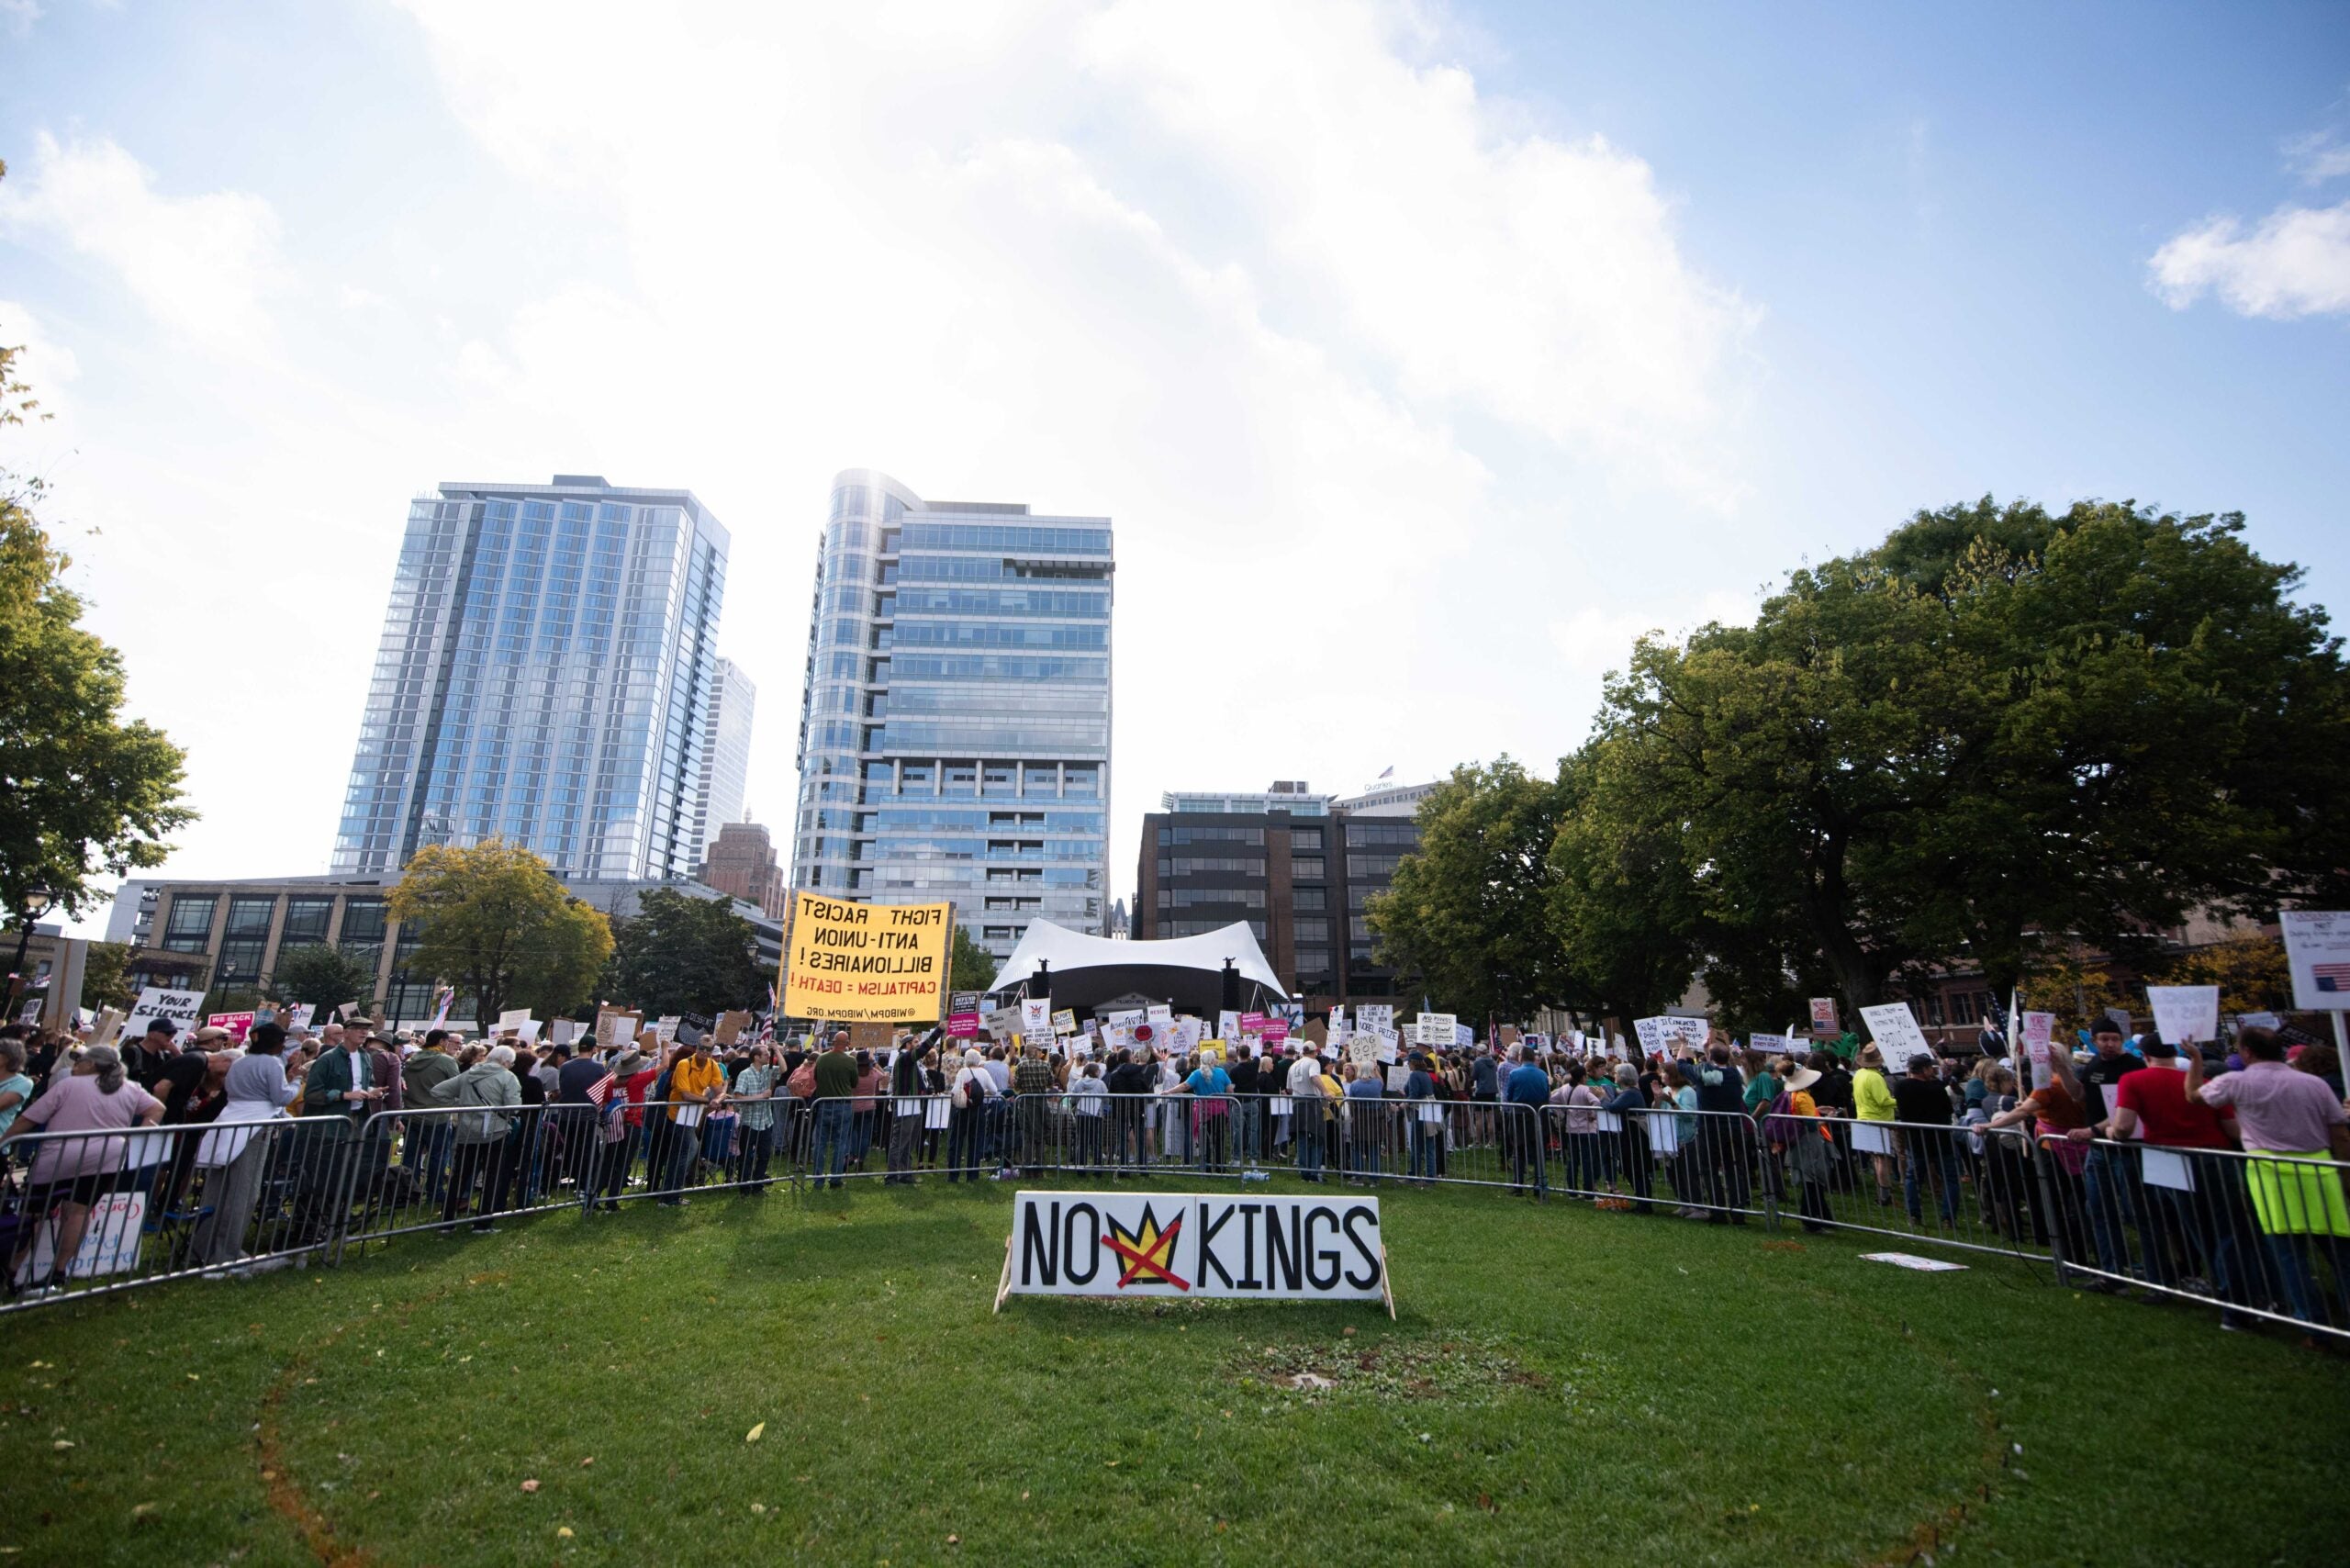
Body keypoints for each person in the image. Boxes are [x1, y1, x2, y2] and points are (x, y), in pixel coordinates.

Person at [2192, 1027, 2350, 1327]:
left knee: (2291, 1255)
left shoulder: (2237, 1081)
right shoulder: (2314, 1083)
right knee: (2339, 1253)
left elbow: (2193, 1096)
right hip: (2321, 1172)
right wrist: (2345, 1169)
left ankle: (2313, 1324)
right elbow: (2339, 1132)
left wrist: (2195, 1058)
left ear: (2247, 1051)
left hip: (2272, 1177)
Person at [2, 1045, 163, 1296]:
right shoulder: (131, 1088)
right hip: (106, 1157)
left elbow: (28, 1119)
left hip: (59, 1156)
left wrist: (5, 1141)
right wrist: (136, 1135)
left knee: (34, 1212)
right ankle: (59, 1271)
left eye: (81, 1061)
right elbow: (156, 1109)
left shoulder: (69, 1086)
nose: (75, 1066)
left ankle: (12, 1269)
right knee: (79, 1211)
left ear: (92, 1064)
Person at [190, 1022, 305, 1269]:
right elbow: (281, 1097)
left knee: (216, 1189)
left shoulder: (240, 1061)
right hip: (253, 1127)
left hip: (229, 1121)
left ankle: (201, 1247)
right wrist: (295, 1081)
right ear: (274, 1043)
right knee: (244, 1193)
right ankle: (226, 1253)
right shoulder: (272, 1063)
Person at [427, 1044, 521, 1233]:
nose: (510, 1066)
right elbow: (514, 1107)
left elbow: (437, 1091)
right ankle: (483, 1222)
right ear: (505, 1062)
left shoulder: (469, 1074)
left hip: (467, 1131)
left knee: (459, 1177)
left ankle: (447, 1222)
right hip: (495, 1132)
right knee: (491, 1177)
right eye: (510, 1063)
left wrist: (462, 1105)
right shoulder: (507, 1077)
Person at [1892, 1053, 1961, 1229]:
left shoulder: (1901, 1087)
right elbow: (1947, 1108)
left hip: (1916, 1139)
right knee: (1950, 1178)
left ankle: (1914, 1214)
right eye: (1930, 1068)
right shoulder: (1936, 1087)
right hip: (1940, 1139)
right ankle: (1948, 1217)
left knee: (1913, 1178)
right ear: (1924, 1069)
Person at [1762, 1063, 1834, 1232]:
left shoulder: (1791, 1094)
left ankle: (1822, 1218)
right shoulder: (1803, 1097)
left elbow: (1800, 1115)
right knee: (1813, 1180)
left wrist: (1816, 1110)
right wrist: (1829, 1118)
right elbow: (1811, 1124)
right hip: (1808, 1142)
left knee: (1811, 1181)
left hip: (1798, 1141)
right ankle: (1811, 1221)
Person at [663, 1038, 727, 1202]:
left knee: (683, 1153)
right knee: (689, 1149)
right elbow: (685, 1095)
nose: (704, 1052)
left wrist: (717, 1100)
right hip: (678, 1112)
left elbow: (720, 1091)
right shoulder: (684, 1064)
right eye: (701, 1049)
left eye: (708, 1050)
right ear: (696, 1048)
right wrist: (709, 1101)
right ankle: (671, 1194)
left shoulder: (713, 1066)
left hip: (694, 1112)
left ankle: (671, 1194)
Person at [729, 1044, 780, 1193]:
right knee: (746, 1156)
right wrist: (761, 1096)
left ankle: (758, 1185)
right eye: (765, 1054)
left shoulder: (767, 1070)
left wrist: (776, 1049)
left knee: (764, 1155)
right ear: (756, 1057)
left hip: (765, 1121)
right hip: (749, 1122)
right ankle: (744, 1186)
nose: (768, 1056)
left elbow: (783, 1069)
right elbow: (737, 1097)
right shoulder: (745, 1074)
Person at [1852, 1046, 1898, 1206]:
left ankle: (1882, 1192)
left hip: (1865, 1118)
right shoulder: (1875, 1078)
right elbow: (1883, 1101)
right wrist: (1899, 1101)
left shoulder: (1859, 1074)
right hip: (1878, 1121)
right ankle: (1885, 1195)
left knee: (1877, 1159)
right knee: (1883, 1160)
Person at [1502, 1045, 1550, 1196]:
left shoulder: (1515, 1073)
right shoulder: (1542, 1074)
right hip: (1537, 1114)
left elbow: (1509, 1095)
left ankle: (1518, 1185)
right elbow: (1546, 1095)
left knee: (1519, 1150)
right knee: (1537, 1152)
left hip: (1519, 1115)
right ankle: (1538, 1184)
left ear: (1521, 1057)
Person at [885, 1033, 932, 1184]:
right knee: (899, 1141)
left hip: (914, 1104)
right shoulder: (905, 1058)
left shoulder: (911, 1061)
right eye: (915, 1042)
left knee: (909, 1141)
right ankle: (891, 1176)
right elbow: (923, 1050)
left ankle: (905, 1173)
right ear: (907, 1045)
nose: (918, 1045)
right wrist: (938, 1031)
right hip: (906, 1105)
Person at [946, 1047, 995, 1182]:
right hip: (978, 1109)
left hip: (962, 1109)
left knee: (956, 1142)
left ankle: (953, 1174)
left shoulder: (963, 1072)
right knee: (976, 1142)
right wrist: (983, 1092)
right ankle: (973, 1175)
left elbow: (956, 1090)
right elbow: (994, 1090)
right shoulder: (984, 1073)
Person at [1288, 1047, 1329, 1182]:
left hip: (1297, 1102)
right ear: (1314, 1052)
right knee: (1318, 1137)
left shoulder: (1294, 1065)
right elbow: (1314, 1077)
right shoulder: (1314, 1063)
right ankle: (1314, 1173)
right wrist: (1325, 1092)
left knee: (1301, 1138)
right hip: (1311, 1102)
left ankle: (1304, 1171)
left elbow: (1289, 1087)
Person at [1069, 1059, 1108, 1171]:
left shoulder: (1079, 1083)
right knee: (1097, 1141)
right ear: (1095, 1072)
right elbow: (1106, 1099)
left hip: (1082, 1114)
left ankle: (1081, 1167)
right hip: (1097, 1115)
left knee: (1082, 1140)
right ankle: (1097, 1168)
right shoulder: (1100, 1084)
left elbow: (1074, 1098)